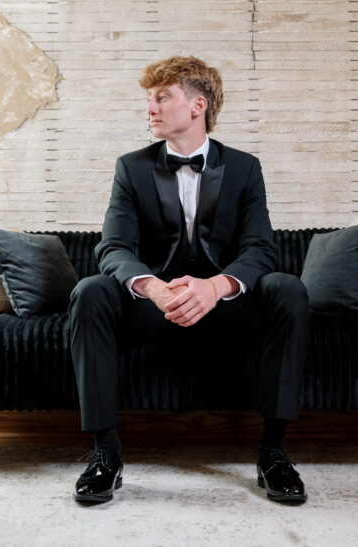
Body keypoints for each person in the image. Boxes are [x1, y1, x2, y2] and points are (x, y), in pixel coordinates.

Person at [68, 55, 309, 504]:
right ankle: (105, 455)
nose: (150, 108)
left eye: (162, 97)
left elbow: (260, 248)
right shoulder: (132, 167)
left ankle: (273, 453)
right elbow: (113, 246)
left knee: (288, 289)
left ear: (197, 105)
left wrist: (216, 287)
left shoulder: (244, 167)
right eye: (149, 99)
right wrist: (155, 289)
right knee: (90, 291)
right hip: (153, 308)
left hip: (226, 310)